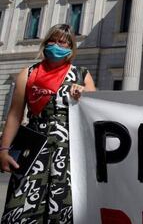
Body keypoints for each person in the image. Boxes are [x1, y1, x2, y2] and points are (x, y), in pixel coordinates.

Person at [0, 24, 96, 223]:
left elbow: (96, 110)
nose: (56, 45)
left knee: (62, 209)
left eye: (62, 41)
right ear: (45, 42)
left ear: (71, 48)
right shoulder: (28, 73)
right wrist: (4, 149)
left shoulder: (82, 75)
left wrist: (84, 95)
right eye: (53, 40)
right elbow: (15, 114)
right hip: (33, 148)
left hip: (69, 151)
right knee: (21, 208)